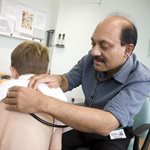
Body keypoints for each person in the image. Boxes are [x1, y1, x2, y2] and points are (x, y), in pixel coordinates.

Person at [3, 15, 150, 150]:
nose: (94, 52)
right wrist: (58, 79)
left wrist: (42, 102)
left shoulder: (141, 77)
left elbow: (107, 123)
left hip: (112, 134)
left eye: (104, 46)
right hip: (83, 126)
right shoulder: (90, 59)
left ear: (127, 50)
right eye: (93, 43)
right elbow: (68, 80)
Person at [0, 40, 67, 150]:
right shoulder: (56, 95)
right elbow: (55, 146)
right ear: (46, 73)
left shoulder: (5, 86)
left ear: (13, 71)